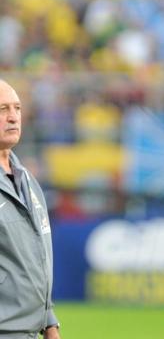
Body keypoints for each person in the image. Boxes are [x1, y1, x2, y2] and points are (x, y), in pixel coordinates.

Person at [0, 80, 61, 338]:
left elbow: (37, 260)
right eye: (2, 109)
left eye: (17, 108)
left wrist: (50, 322)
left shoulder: (28, 181)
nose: (13, 117)